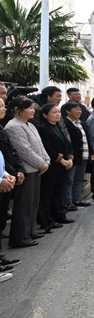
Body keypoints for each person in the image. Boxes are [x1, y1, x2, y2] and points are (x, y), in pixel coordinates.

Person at [6, 97, 50, 247]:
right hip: (27, 169)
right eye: (29, 108)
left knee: (33, 203)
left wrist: (46, 161)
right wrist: (42, 164)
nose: (33, 111)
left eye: (33, 107)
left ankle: (29, 231)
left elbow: (40, 146)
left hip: (36, 168)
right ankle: (20, 238)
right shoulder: (13, 126)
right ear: (17, 109)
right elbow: (24, 151)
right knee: (24, 205)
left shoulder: (29, 124)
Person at [35, 104, 74, 229]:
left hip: (63, 165)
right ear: (45, 115)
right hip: (51, 166)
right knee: (47, 194)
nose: (58, 114)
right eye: (54, 112)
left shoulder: (59, 127)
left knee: (58, 192)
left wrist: (70, 158)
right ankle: (47, 220)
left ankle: (59, 215)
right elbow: (47, 148)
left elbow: (68, 144)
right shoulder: (42, 129)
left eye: (58, 112)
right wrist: (61, 160)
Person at [0, 99, 26, 241]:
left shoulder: (1, 127)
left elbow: (8, 153)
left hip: (6, 176)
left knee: (3, 211)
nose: (4, 109)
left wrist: (7, 174)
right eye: (1, 106)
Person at [62, 102, 92, 209]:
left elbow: (88, 139)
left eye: (80, 109)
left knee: (79, 179)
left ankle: (77, 199)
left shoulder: (81, 123)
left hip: (84, 155)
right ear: (67, 111)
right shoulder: (65, 123)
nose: (79, 111)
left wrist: (91, 153)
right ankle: (67, 202)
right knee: (69, 180)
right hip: (73, 156)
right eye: (76, 109)